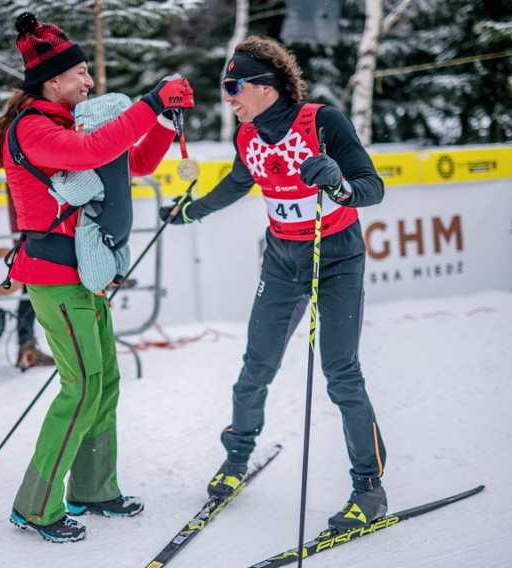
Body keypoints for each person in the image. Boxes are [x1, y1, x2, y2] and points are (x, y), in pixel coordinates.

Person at [160, 36, 388, 532]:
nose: (228, 97)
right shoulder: (247, 136)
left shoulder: (322, 122)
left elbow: (372, 188)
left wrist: (340, 186)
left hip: (337, 259)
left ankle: (369, 489)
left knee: (341, 374)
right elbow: (237, 184)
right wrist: (188, 212)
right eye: (225, 87)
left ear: (266, 87)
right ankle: (237, 458)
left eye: (233, 86)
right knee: (255, 367)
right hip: (282, 261)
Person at [0, 12, 193, 543]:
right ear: (51, 81)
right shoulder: (33, 128)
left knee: (104, 383)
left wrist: (165, 122)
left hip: (87, 273)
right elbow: (92, 153)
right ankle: (35, 505)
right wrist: (148, 101)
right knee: (79, 389)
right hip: (55, 279)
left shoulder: (68, 122)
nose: (89, 81)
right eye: (79, 73)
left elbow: (133, 163)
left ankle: (94, 488)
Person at [6, 191, 55, 372]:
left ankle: (26, 345)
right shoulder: (20, 163)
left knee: (32, 286)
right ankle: (27, 346)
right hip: (33, 228)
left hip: (30, 227)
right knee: (33, 286)